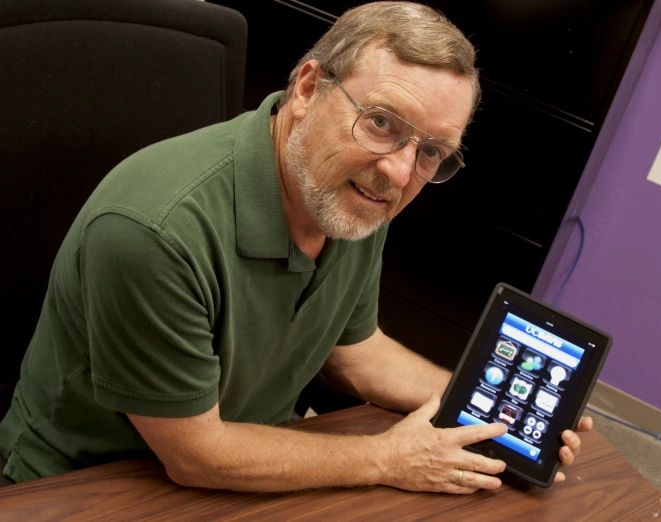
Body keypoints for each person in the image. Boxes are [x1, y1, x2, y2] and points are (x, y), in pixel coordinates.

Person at [0, 1, 591, 493]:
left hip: (245, 461)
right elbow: (197, 455)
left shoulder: (353, 193)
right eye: (383, 121)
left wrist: (486, 409)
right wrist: (390, 458)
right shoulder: (155, 231)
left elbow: (352, 350)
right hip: (86, 486)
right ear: (308, 88)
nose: (400, 171)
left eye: (432, 150)